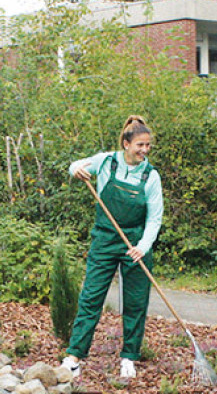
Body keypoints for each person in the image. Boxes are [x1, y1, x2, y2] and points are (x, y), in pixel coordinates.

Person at [60, 116, 164, 380]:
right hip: (105, 241)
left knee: (135, 303)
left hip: (136, 244)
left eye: (148, 146)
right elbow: (75, 165)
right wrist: (76, 170)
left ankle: (129, 357)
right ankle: (74, 357)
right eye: (140, 145)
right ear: (126, 143)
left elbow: (154, 218)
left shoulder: (150, 176)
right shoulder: (107, 161)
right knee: (91, 298)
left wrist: (143, 246)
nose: (144, 150)